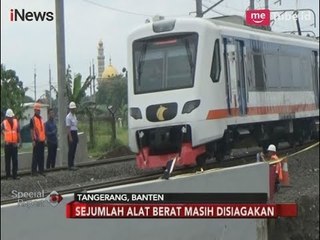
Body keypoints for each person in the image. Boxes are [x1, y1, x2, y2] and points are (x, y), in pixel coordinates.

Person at [1, 109, 21, 180]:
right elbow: (1, 130)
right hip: (7, 145)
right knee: (8, 161)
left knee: (15, 160)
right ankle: (8, 176)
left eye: (11, 117)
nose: (10, 118)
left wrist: (19, 142)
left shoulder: (16, 122)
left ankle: (15, 175)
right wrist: (4, 138)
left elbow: (18, 132)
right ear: (6, 117)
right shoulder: (4, 123)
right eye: (9, 117)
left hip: (14, 145)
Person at [30, 102, 46, 176]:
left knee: (41, 156)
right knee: (35, 156)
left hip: (42, 140)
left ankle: (41, 170)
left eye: (39, 110)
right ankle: (34, 171)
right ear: (34, 110)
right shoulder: (33, 119)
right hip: (36, 141)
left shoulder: (41, 119)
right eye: (37, 110)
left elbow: (43, 130)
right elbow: (32, 130)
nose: (38, 111)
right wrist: (33, 140)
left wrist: (44, 138)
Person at [66, 101, 78, 171]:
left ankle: (72, 164)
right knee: (71, 150)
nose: (73, 109)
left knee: (74, 150)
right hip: (71, 134)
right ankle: (70, 165)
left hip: (75, 133)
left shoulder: (74, 116)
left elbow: (75, 126)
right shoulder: (68, 117)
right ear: (70, 109)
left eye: (74, 108)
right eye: (72, 108)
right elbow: (68, 128)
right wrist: (70, 137)